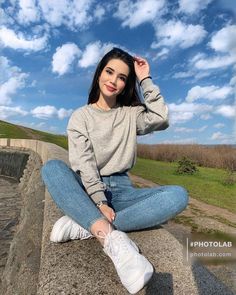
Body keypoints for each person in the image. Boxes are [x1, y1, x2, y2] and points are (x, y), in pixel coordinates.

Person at [41, 47, 188, 294]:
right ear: (99, 73)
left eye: (122, 77)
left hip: (123, 191)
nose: (114, 81)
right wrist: (99, 201)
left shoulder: (131, 115)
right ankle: (107, 233)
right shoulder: (80, 117)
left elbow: (161, 118)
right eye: (110, 72)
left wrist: (145, 79)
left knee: (179, 195)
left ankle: (86, 223)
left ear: (126, 84)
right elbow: (84, 163)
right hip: (87, 187)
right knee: (53, 167)